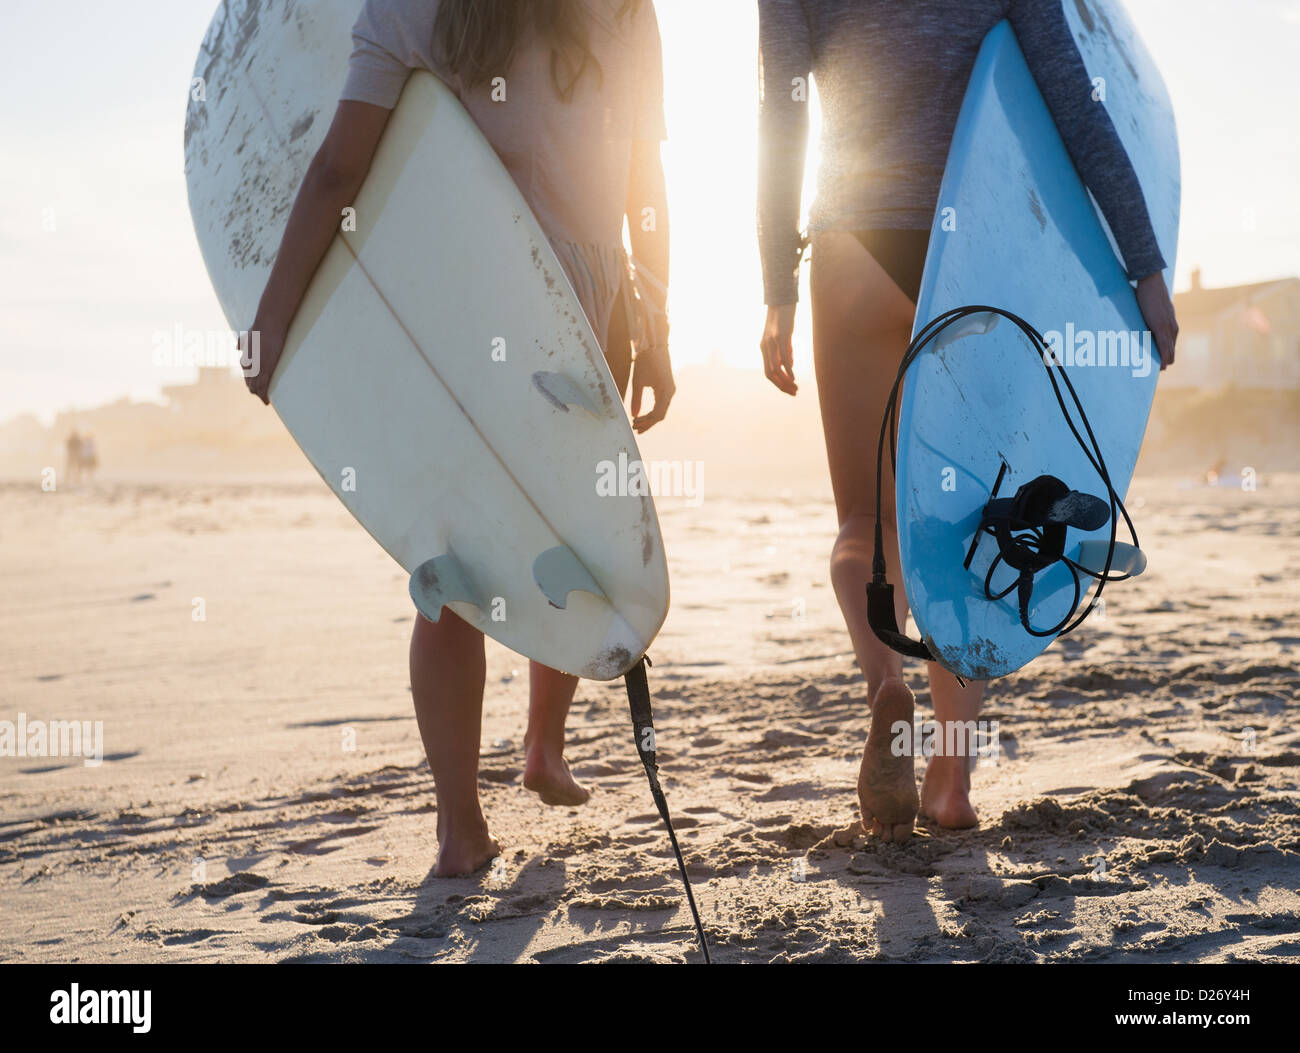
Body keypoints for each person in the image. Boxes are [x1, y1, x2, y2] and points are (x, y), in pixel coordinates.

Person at [245, 0, 673, 875]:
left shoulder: (411, 8)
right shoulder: (624, 10)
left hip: (463, 328)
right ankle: (543, 747)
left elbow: (340, 173)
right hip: (581, 320)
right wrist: (655, 320)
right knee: (569, 532)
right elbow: (644, 188)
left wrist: (273, 320)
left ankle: (460, 824)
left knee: (452, 560)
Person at [756, 0, 1180, 842]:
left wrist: (777, 290)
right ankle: (949, 779)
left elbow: (783, 114)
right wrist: (1145, 268)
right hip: (970, 260)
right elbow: (1077, 106)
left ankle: (885, 678)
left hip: (852, 249)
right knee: (967, 529)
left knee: (860, 521)